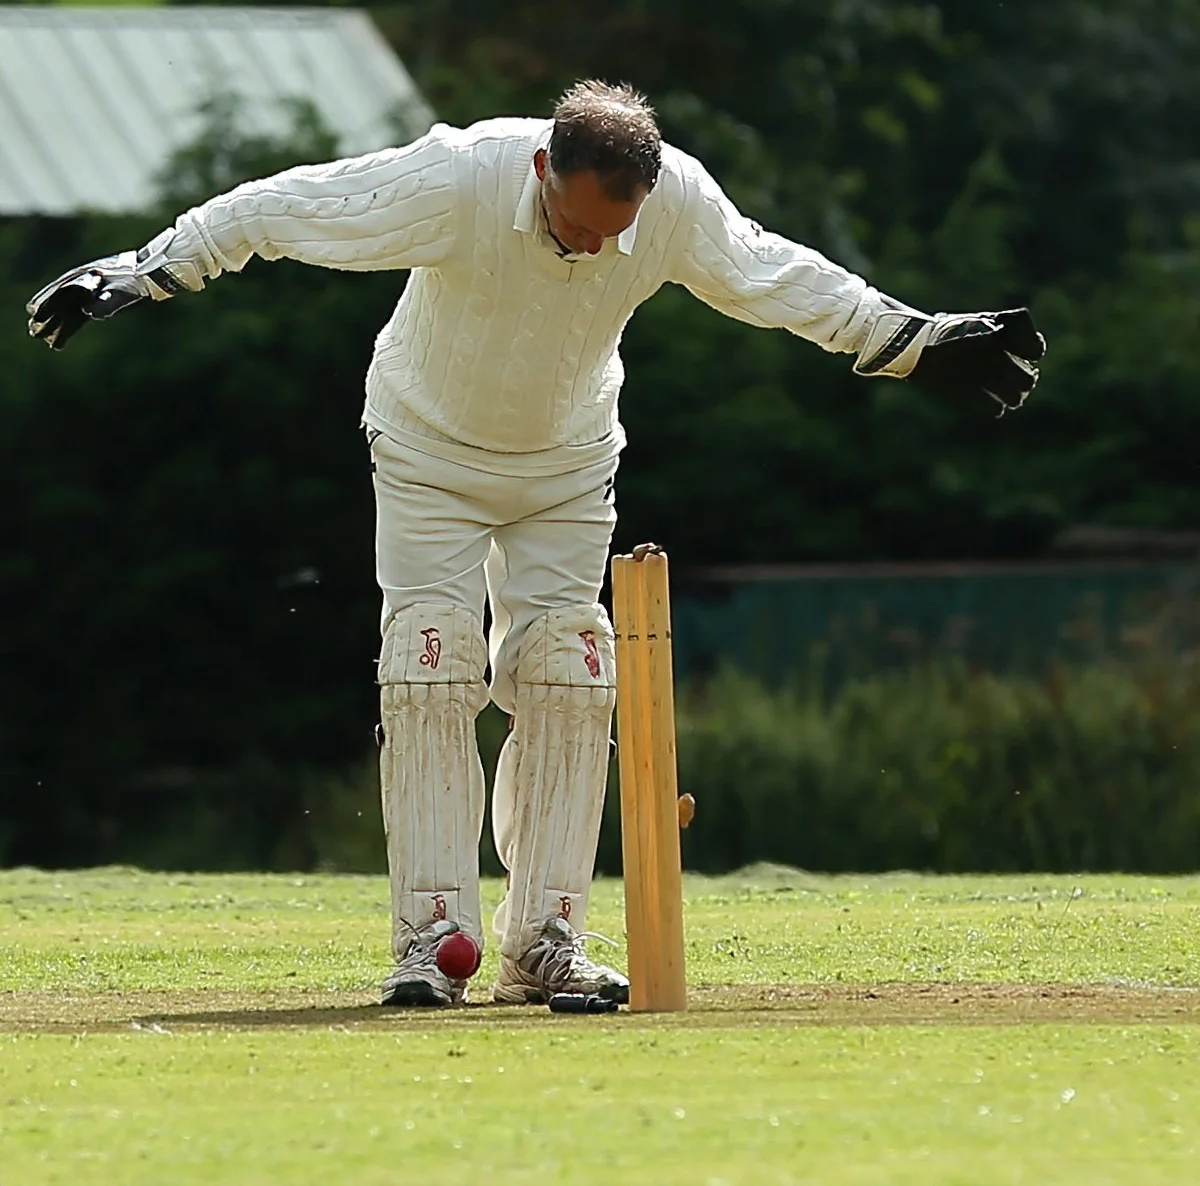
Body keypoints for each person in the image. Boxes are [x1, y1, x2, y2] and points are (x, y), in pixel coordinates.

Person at [26, 80, 1044, 1007]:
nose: (596, 248)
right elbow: (291, 206)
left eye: (618, 232)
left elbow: (769, 274)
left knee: (569, 669)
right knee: (429, 658)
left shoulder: (672, 201)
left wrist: (906, 340)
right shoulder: (462, 175)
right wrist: (148, 270)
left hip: (566, 459)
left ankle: (546, 937)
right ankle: (430, 939)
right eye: (576, 224)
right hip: (426, 445)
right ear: (542, 169)